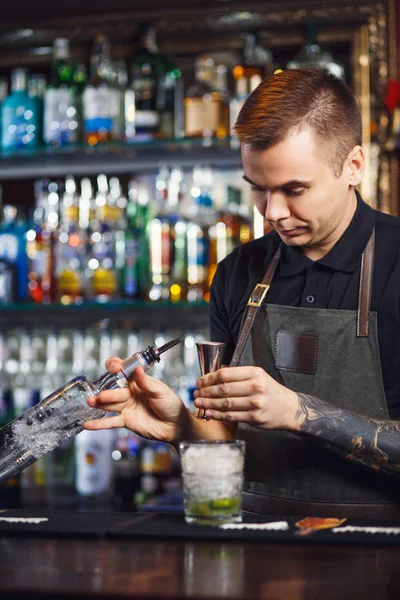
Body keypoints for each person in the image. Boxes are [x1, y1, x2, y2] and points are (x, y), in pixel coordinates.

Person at [84, 68, 400, 518]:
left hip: (381, 555)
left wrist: (297, 411)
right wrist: (180, 427)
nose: (272, 212)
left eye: (294, 190)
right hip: (254, 541)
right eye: (258, 188)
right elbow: (226, 439)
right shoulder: (239, 272)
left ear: (353, 166)